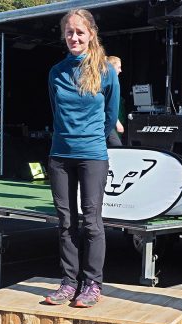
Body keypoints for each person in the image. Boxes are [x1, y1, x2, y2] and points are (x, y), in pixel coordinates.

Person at [45, 8, 119, 308]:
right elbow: (55, 112)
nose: (74, 37)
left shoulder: (105, 71)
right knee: (65, 222)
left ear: (91, 34)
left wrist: (91, 140)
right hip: (60, 156)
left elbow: (111, 116)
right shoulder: (56, 72)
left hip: (92, 155)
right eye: (69, 32)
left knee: (91, 222)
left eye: (79, 32)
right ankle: (68, 281)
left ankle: (92, 283)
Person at [106, 55, 125, 147]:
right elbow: (107, 106)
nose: (120, 70)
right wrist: (117, 123)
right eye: (119, 67)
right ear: (112, 67)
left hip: (103, 122)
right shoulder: (110, 82)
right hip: (102, 122)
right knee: (117, 145)